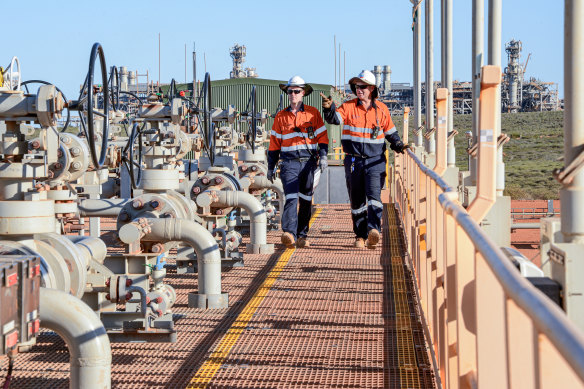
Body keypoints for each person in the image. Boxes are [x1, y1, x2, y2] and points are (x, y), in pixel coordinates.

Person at [320, 70, 408, 249]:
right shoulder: (348, 107)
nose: (358, 90)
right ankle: (360, 235)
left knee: (374, 196)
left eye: (362, 87)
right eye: (356, 87)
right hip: (354, 161)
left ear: (372, 89)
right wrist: (329, 109)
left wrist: (398, 144)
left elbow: (391, 132)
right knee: (357, 200)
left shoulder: (382, 109)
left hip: (375, 161)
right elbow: (335, 120)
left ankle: (373, 230)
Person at [268, 76, 328, 248]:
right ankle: (289, 233)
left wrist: (323, 156)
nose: (292, 94)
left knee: (306, 199)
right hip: (289, 163)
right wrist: (270, 167)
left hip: (309, 162)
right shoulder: (281, 116)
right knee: (291, 198)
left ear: (303, 93)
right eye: (290, 91)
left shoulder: (313, 113)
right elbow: (274, 144)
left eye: (296, 91)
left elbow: (323, 137)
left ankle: (302, 235)